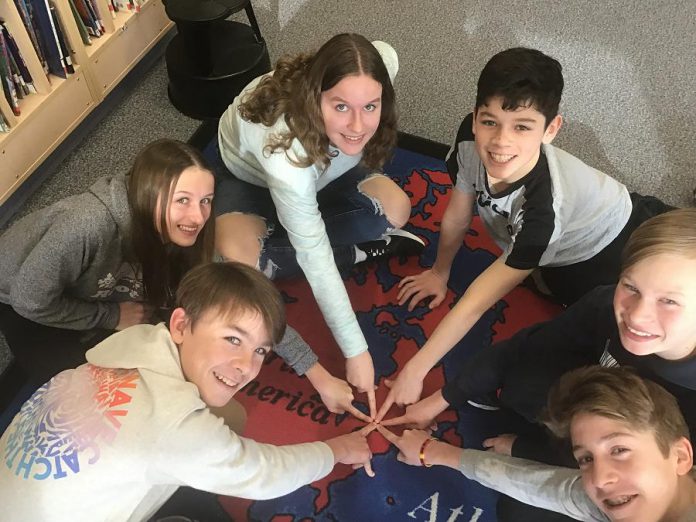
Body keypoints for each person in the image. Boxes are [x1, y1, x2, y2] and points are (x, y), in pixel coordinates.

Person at [378, 46, 671, 419]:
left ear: (551, 130)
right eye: (490, 121)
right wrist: (439, 271)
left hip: (612, 242)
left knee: (639, 325)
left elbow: (478, 301)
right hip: (570, 230)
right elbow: (457, 212)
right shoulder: (469, 141)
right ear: (474, 118)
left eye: (522, 127)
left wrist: (415, 369)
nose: (500, 142)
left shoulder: (544, 212)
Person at [382, 208, 696, 520]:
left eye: (669, 301)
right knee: (524, 388)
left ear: (684, 457)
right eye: (631, 287)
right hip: (610, 428)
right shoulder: (605, 304)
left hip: (638, 451)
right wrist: (442, 401)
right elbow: (526, 347)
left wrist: (528, 451)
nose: (637, 315)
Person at [0, 262, 377, 521]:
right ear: (181, 325)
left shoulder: (138, 342)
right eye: (232, 339)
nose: (247, 365)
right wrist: (337, 449)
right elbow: (264, 474)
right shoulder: (175, 427)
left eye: (260, 350)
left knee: (230, 417)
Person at [213, 33, 425, 418]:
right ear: (315, 98)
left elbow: (384, 52)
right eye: (341, 106)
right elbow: (313, 256)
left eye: (371, 106)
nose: (358, 126)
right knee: (242, 266)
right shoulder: (285, 156)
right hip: (252, 182)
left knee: (396, 209)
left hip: (325, 170)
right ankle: (352, 250)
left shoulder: (382, 62)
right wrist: (356, 351)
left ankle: (323, 236)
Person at [0, 139, 215, 384]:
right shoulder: (86, 225)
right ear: (149, 194)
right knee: (82, 388)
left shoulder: (178, 225)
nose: (198, 217)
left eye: (206, 200)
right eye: (182, 200)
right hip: (22, 297)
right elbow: (29, 300)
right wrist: (111, 316)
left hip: (90, 284)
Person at [377, 366, 696, 522]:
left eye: (619, 450)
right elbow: (541, 486)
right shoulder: (618, 497)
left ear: (681, 456)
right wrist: (432, 451)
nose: (599, 480)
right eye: (585, 458)